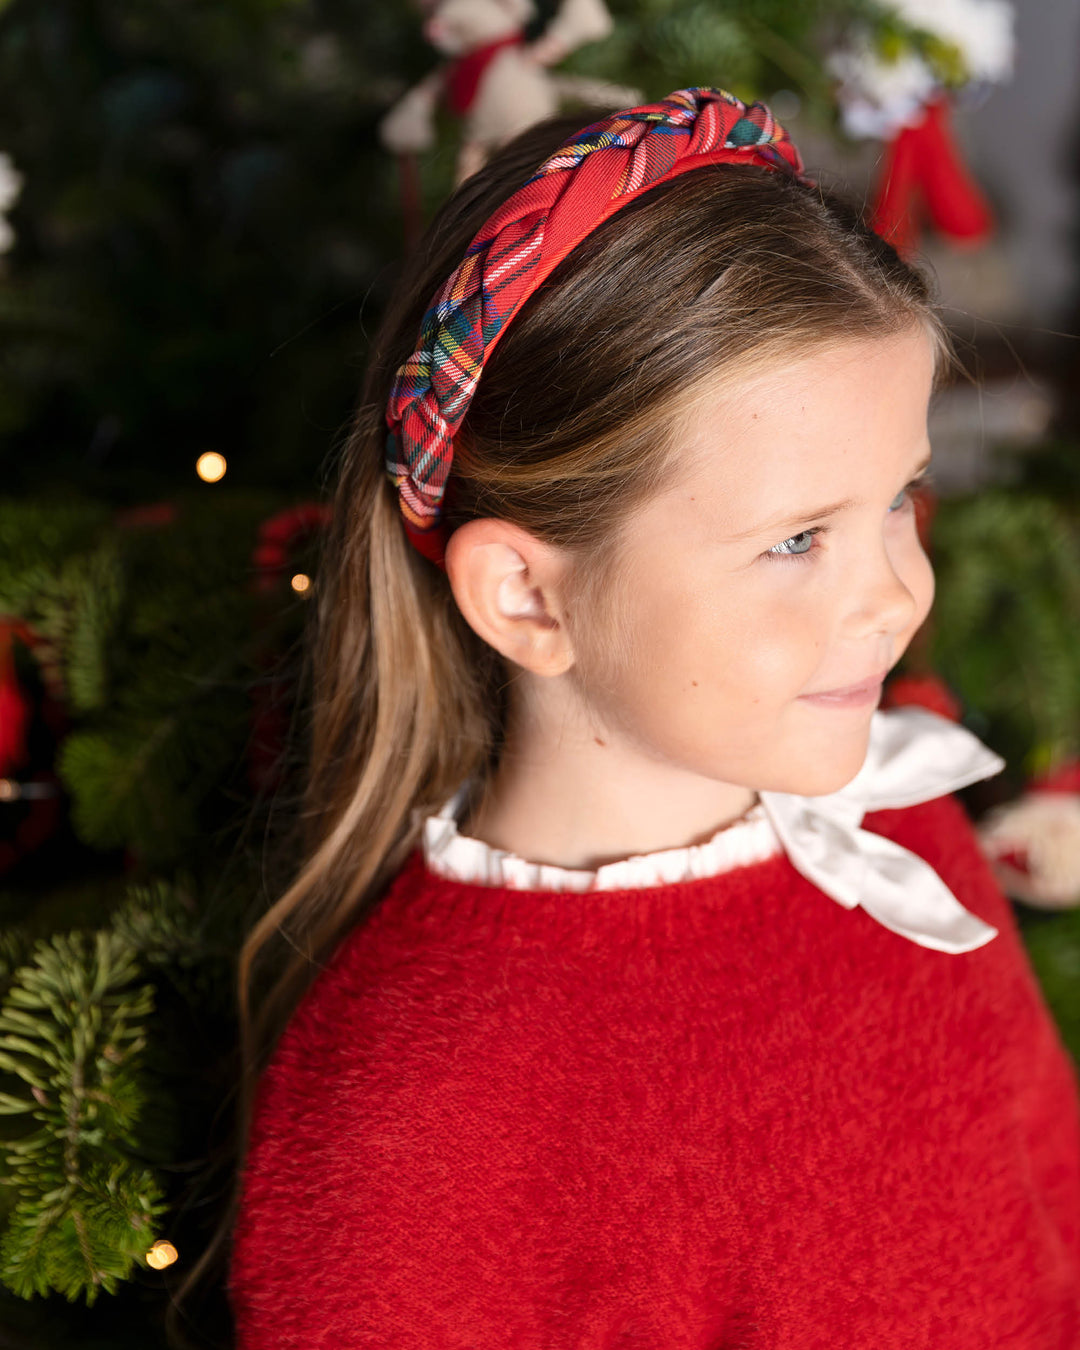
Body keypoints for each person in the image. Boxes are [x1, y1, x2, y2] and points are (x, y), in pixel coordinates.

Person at [226, 89, 1080, 1347]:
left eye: (899, 498)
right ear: (526, 597)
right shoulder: (412, 1112)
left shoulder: (903, 843)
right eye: (797, 540)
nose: (897, 594)